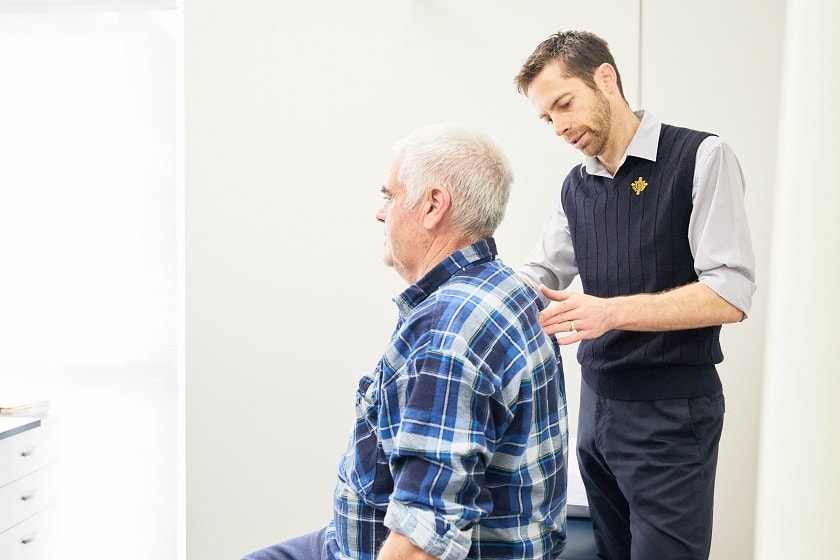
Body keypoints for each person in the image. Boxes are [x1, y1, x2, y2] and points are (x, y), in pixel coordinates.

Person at [241, 122, 568, 560]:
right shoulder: (508, 289)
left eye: (388, 196)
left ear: (433, 205)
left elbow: (420, 544)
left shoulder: (449, 333)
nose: (381, 213)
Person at [512, 30, 756, 560]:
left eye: (564, 104)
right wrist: (476, 289)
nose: (559, 127)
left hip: (670, 414)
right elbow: (539, 274)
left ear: (606, 78)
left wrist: (609, 312)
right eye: (546, 118)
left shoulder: (701, 157)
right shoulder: (576, 187)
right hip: (595, 410)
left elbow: (730, 292)